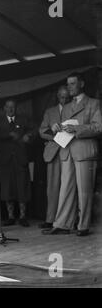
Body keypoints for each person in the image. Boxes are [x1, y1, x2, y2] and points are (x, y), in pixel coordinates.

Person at [43, 72, 102, 236]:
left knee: (84, 190)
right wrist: (56, 128)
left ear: (81, 84)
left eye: (73, 84)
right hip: (66, 150)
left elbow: (98, 127)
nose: (70, 87)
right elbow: (64, 127)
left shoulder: (94, 103)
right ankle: (62, 224)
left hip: (84, 151)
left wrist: (76, 129)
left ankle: (83, 226)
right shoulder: (67, 106)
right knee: (65, 189)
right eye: (68, 84)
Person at [0, 100, 35, 227]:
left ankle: (23, 216)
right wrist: (8, 134)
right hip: (5, 159)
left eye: (13, 107)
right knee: (8, 188)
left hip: (20, 158)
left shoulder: (23, 119)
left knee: (22, 187)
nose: (10, 109)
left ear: (16, 108)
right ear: (4, 108)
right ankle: (10, 216)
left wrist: (28, 136)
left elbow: (33, 131)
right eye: (8, 107)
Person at [39, 86, 70, 229]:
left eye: (67, 97)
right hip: (53, 152)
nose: (64, 100)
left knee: (68, 187)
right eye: (62, 97)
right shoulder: (49, 111)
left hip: (69, 151)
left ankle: (68, 219)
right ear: (58, 96)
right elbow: (41, 131)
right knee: (52, 187)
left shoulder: (74, 109)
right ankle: (50, 219)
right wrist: (53, 131)